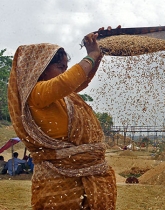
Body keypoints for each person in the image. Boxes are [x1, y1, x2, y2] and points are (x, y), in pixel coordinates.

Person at [7, 26, 119, 209]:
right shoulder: (36, 94)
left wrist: (99, 52)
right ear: (40, 69)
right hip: (59, 182)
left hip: (89, 175)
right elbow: (67, 81)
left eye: (66, 68)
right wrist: (91, 55)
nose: (64, 72)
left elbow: (80, 80)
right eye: (60, 67)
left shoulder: (62, 96)